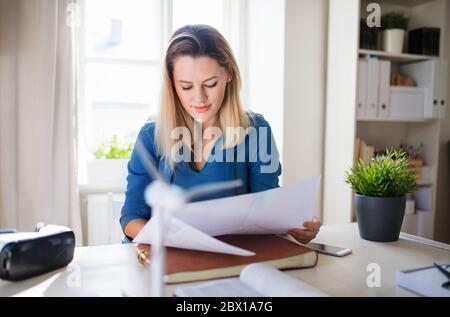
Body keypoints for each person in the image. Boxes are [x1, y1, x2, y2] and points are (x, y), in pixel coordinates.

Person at [120, 24, 321, 244]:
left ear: (229, 74)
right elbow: (131, 218)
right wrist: (181, 240)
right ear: (172, 84)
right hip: (165, 258)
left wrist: (292, 225)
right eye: (186, 86)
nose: (200, 98)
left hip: (230, 260)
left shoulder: (256, 132)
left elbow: (266, 214)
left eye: (210, 83)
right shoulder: (152, 135)